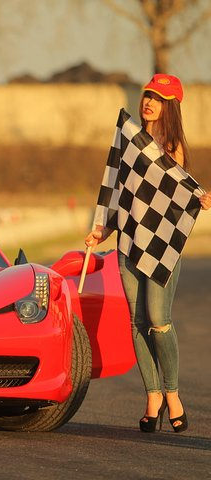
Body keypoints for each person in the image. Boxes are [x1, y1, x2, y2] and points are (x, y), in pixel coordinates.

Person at [85, 74, 211, 433]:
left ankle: (173, 394)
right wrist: (102, 229)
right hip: (127, 241)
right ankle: (152, 395)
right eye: (147, 96)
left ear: (170, 106)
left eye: (158, 98)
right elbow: (117, 191)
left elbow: (179, 197)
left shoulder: (173, 148)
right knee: (137, 322)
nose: (149, 102)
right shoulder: (129, 142)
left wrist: (200, 200)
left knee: (158, 318)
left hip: (161, 247)